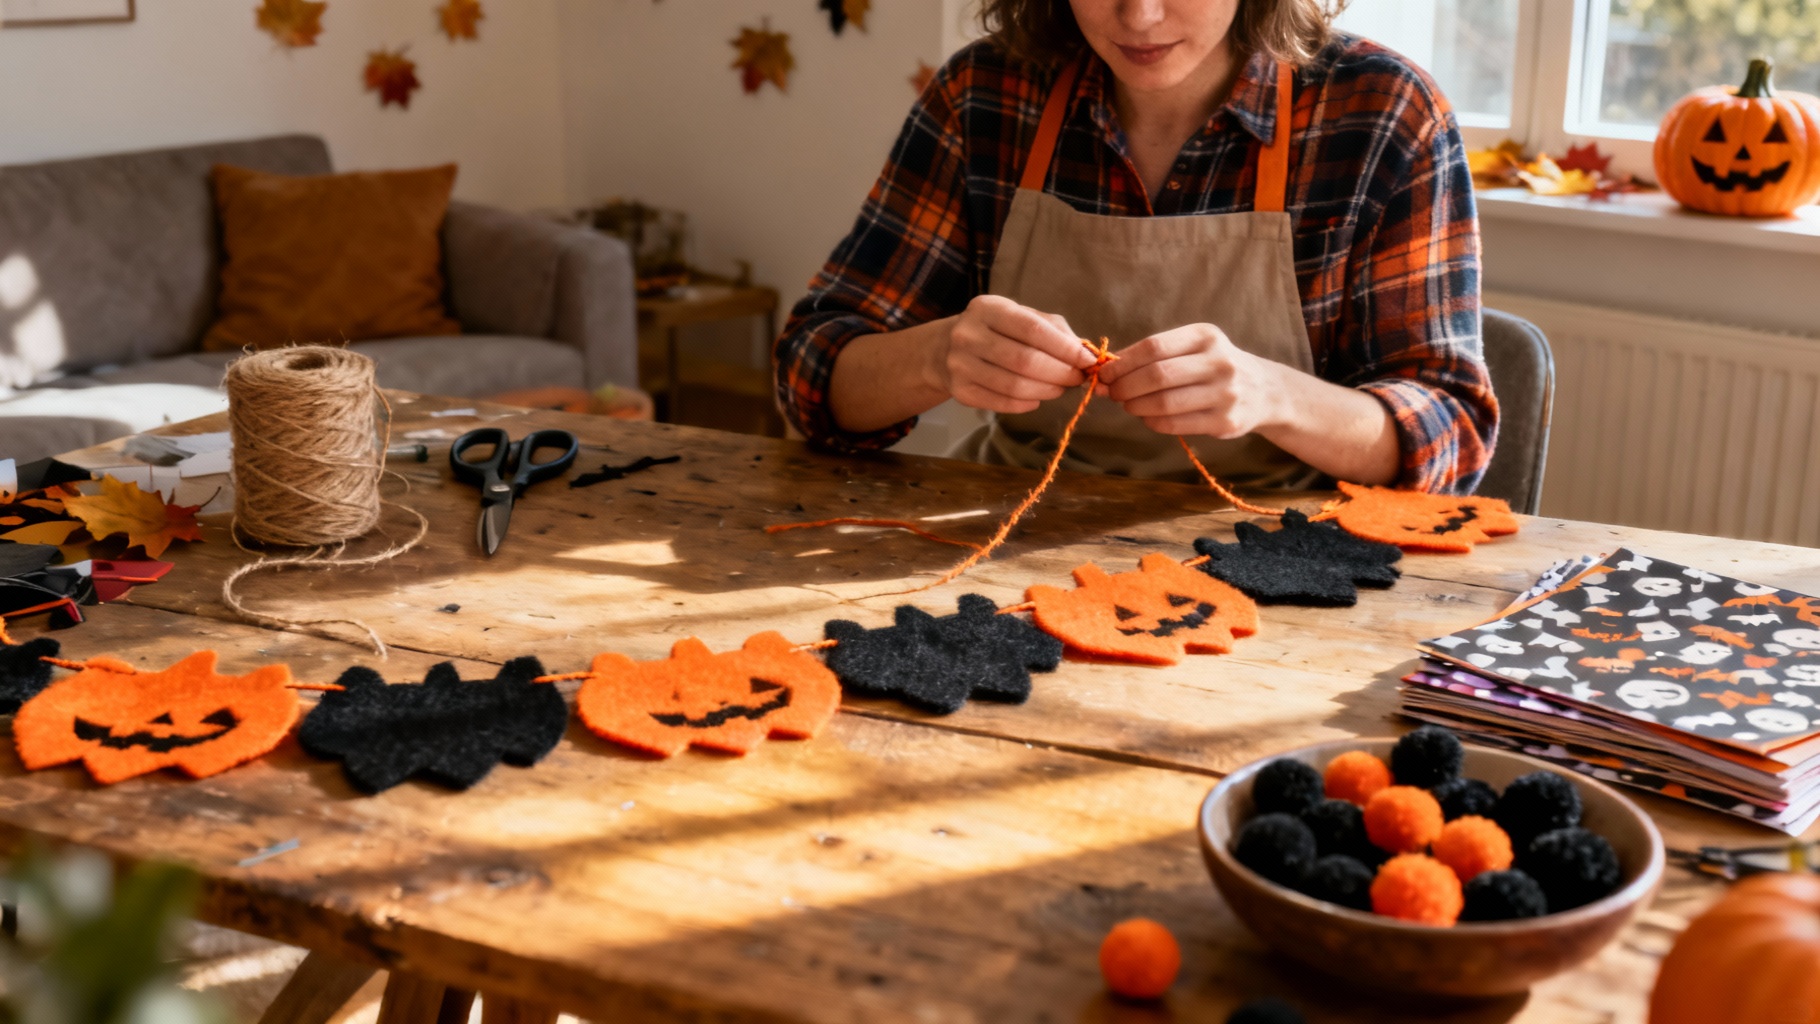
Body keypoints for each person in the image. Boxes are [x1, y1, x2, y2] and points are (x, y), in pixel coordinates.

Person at [773, 0, 1497, 494]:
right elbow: (812, 374)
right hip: (1013, 529)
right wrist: (935, 357)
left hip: (1286, 552)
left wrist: (1274, 396)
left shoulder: (1382, 112)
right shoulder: (984, 93)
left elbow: (1451, 434)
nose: (1139, 15)